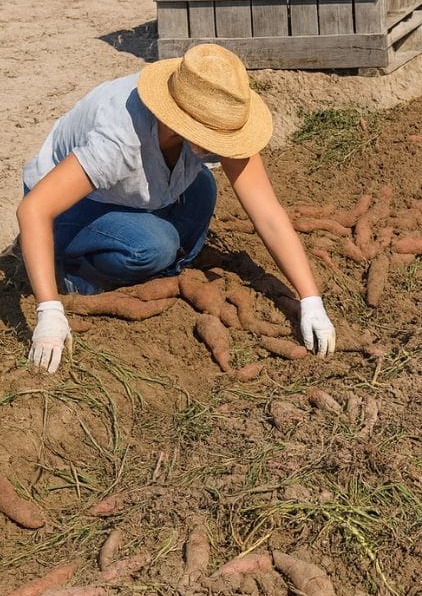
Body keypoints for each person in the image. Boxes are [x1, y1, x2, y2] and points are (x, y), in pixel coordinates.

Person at [17, 43, 336, 373]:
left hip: (123, 189)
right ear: (186, 126)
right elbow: (33, 209)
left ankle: (156, 268)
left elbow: (267, 212)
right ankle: (76, 276)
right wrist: (49, 310)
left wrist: (310, 299)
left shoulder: (213, 111)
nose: (225, 149)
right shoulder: (120, 139)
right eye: (216, 139)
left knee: (202, 190)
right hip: (68, 203)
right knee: (155, 245)